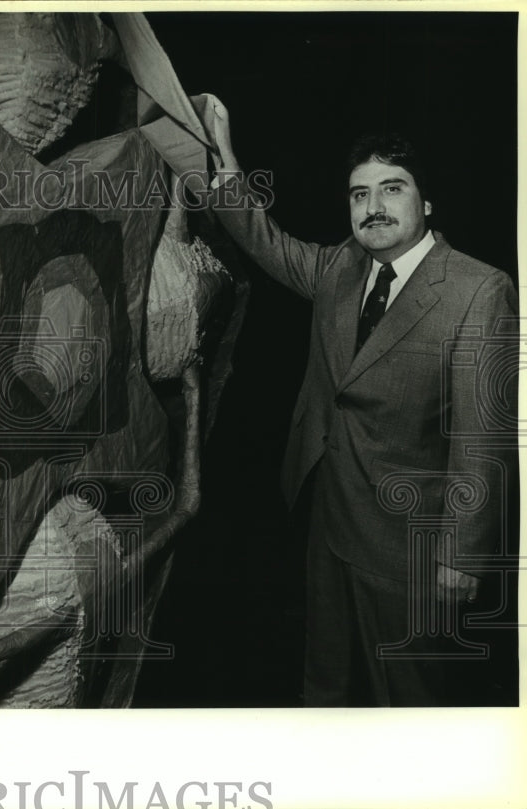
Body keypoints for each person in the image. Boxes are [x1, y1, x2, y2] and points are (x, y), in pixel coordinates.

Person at [204, 98, 517, 706]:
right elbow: (266, 242)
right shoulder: (342, 268)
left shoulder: (480, 290)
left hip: (412, 553)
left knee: (410, 703)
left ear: (425, 202)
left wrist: (464, 557)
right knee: (327, 688)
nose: (373, 207)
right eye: (358, 194)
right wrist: (225, 160)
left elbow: (486, 440)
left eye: (391, 189)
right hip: (328, 525)